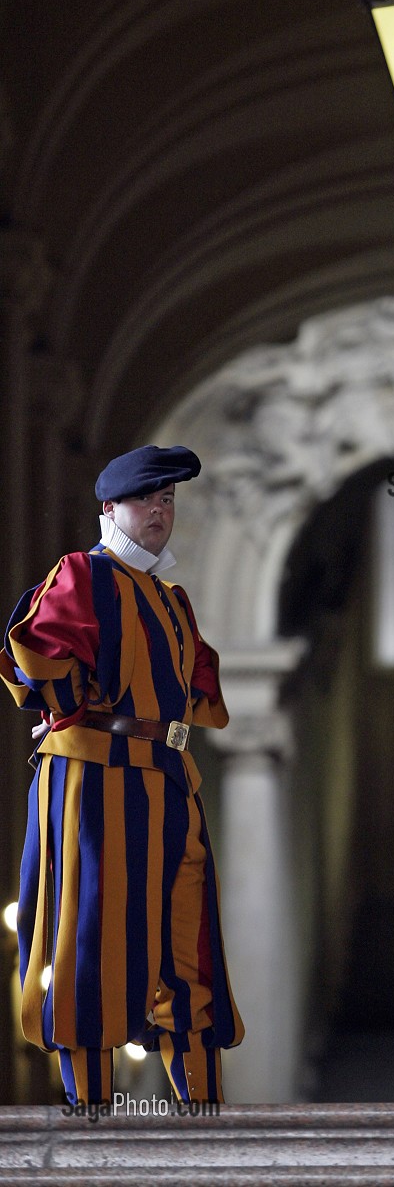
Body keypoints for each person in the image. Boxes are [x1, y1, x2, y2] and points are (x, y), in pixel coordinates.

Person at [1, 445, 244, 1106]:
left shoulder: (171, 600)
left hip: (166, 777)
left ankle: (201, 1113)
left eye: (168, 500)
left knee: (185, 939)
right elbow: (38, 649)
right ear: (110, 509)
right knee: (93, 934)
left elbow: (196, 688)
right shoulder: (82, 574)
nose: (160, 511)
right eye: (146, 500)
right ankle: (95, 1118)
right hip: (95, 776)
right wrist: (65, 710)